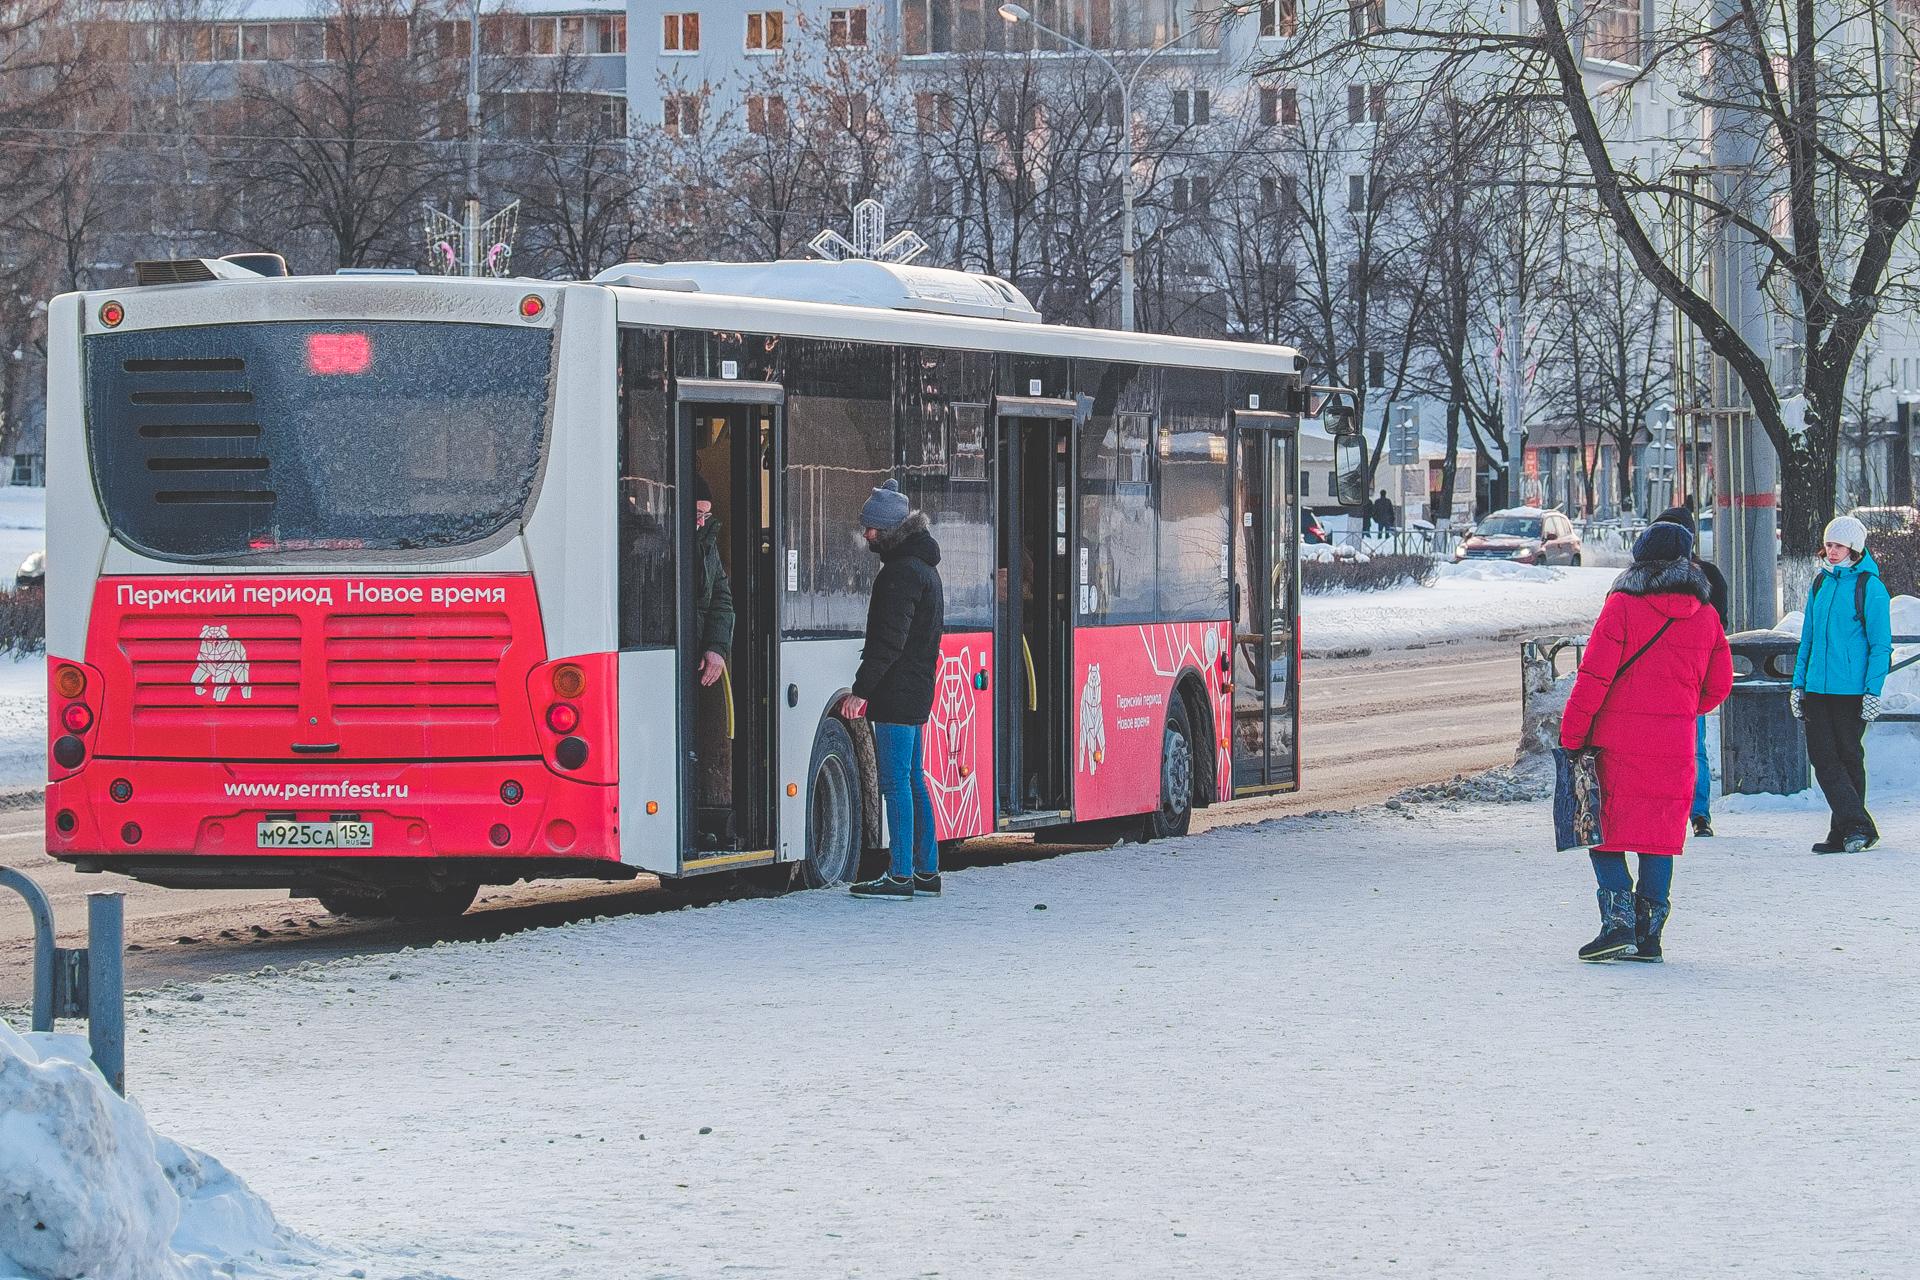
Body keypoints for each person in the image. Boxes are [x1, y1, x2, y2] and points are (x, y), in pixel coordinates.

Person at [1559, 521, 1733, 963]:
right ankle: (1649, 934)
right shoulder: (1707, 614)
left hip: (1615, 742)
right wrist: (1679, 710)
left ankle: (1617, 923)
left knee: (1603, 831)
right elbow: (1719, 686)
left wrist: (1573, 735)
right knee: (1658, 837)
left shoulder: (1621, 606)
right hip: (1674, 744)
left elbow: (1593, 678)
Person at [844, 479, 946, 900]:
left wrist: (861, 690)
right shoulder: (925, 570)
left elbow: (888, 641)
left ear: (888, 529)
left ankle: (900, 872)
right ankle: (926, 869)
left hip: (896, 694)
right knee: (914, 780)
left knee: (895, 783)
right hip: (917, 689)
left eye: (871, 528)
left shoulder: (900, 575)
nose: (867, 534)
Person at [1790, 515, 1893, 854]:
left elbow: (1880, 645)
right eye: (1829, 545)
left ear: (1855, 548)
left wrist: (1872, 691)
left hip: (1851, 690)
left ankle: (1846, 832)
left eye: (1839, 546)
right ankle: (1857, 825)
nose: (1831, 551)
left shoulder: (1870, 587)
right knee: (1823, 757)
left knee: (1848, 756)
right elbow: (1809, 637)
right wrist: (1798, 683)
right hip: (1818, 688)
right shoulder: (1820, 583)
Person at [1653, 505, 1729, 837]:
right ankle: (1693, 814)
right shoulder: (1704, 575)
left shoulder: (1649, 577)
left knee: (1687, 746)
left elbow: (1718, 631)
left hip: (1678, 678)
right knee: (1691, 746)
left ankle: (1692, 813)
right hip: (1686, 678)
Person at [691, 477, 735, 846]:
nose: (702, 523)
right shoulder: (650, 538)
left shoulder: (706, 544)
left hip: (696, 658)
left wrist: (716, 648)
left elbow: (721, 597)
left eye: (707, 515)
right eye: (696, 515)